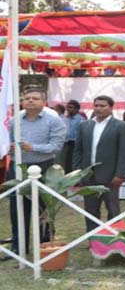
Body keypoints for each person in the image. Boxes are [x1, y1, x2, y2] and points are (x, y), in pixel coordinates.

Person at [3, 88, 67, 261]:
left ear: (43, 101)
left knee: (43, 208)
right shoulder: (16, 119)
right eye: (27, 98)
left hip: (43, 167)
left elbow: (56, 145)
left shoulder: (53, 119)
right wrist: (7, 148)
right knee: (17, 207)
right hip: (18, 167)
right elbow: (7, 140)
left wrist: (34, 148)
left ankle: (44, 245)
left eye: (35, 98)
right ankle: (19, 246)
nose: (30, 101)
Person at [72, 96, 125, 232]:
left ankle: (115, 239)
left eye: (103, 106)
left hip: (110, 176)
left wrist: (120, 174)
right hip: (88, 176)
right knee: (90, 210)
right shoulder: (84, 125)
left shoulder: (121, 126)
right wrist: (78, 174)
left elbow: (124, 153)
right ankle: (93, 239)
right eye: (96, 105)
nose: (99, 108)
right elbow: (78, 151)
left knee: (113, 209)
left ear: (111, 107)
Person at [57, 99, 85, 172]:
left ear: (76, 109)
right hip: (66, 143)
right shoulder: (65, 118)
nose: (68, 109)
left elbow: (82, 133)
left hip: (75, 143)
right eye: (67, 107)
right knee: (65, 161)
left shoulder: (81, 119)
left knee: (72, 161)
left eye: (71, 107)